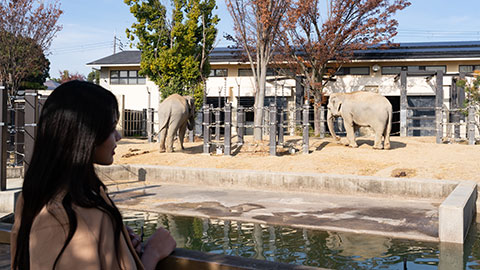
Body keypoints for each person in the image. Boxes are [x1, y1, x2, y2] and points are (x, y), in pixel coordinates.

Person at [10, 80, 176, 270]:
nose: (118, 137)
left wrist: (118, 242)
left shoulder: (33, 197)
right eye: (111, 127)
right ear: (86, 135)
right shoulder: (69, 217)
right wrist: (152, 254)